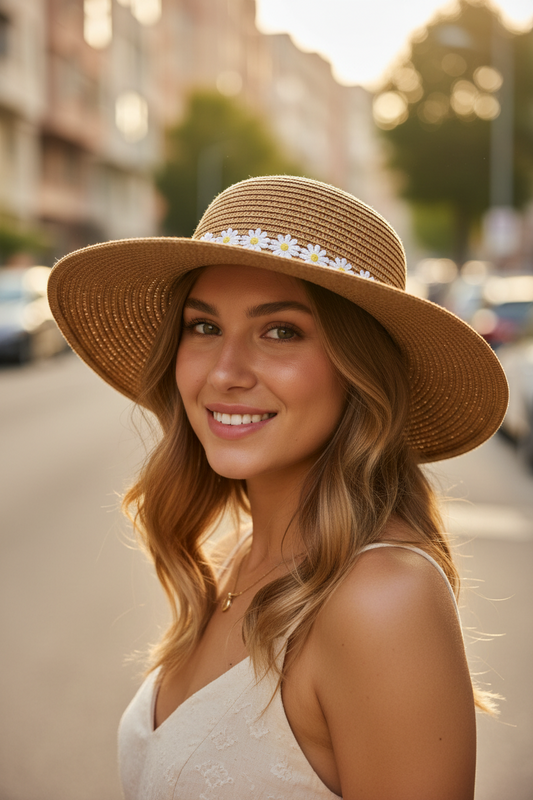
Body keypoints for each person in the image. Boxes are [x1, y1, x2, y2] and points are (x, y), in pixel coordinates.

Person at [48, 175, 508, 800]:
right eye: (203, 327)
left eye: (281, 331)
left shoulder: (384, 599)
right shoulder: (238, 558)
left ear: (359, 370)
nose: (226, 372)